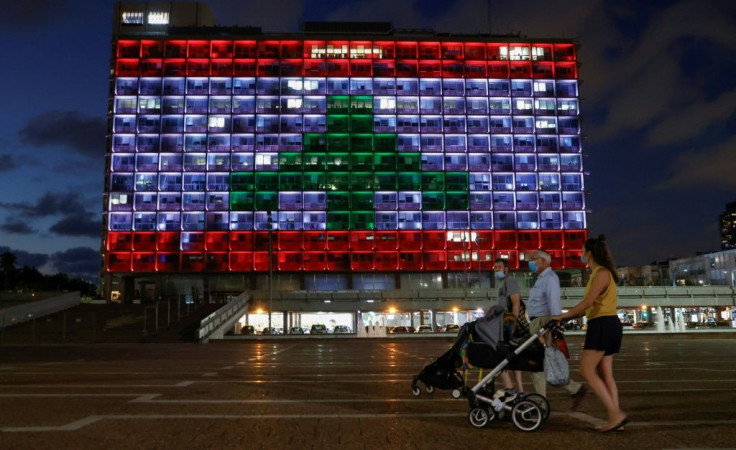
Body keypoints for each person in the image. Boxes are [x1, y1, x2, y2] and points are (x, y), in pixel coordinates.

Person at [552, 235, 628, 432]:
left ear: (590, 253)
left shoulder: (601, 273)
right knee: (605, 373)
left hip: (603, 324)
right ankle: (615, 416)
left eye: (582, 251)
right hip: (606, 323)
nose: (581, 255)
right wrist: (568, 318)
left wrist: (564, 314)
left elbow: (588, 303)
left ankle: (615, 415)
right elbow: (589, 306)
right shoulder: (600, 273)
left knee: (586, 369)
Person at [526, 249, 587, 404]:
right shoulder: (541, 278)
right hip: (538, 322)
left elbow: (554, 303)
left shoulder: (550, 278)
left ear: (543, 261)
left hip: (544, 323)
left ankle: (541, 400)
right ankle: (574, 388)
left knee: (537, 361)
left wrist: (555, 324)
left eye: (533, 258)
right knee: (543, 360)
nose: (530, 261)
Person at [493, 258, 528, 394]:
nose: (496, 269)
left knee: (501, 355)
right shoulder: (501, 283)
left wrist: (512, 324)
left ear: (506, 269)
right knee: (513, 356)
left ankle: (513, 388)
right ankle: (519, 389)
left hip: (509, 323)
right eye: (495, 267)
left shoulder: (510, 281)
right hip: (505, 322)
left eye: (499, 267)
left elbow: (516, 303)